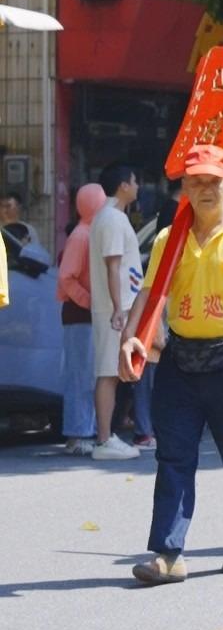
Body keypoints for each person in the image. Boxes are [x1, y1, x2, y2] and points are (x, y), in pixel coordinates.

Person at [120, 144, 223, 583]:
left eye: (213, 180)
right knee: (173, 457)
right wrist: (131, 338)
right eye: (196, 182)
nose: (205, 189)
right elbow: (152, 295)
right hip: (180, 360)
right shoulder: (171, 238)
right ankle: (168, 553)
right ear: (184, 188)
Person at [88, 162, 144, 461]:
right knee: (108, 373)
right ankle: (104, 438)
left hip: (119, 307)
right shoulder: (111, 218)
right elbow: (113, 265)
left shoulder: (112, 217)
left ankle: (109, 435)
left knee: (114, 372)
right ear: (123, 184)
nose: (137, 186)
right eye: (135, 181)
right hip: (115, 309)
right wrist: (119, 308)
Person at [55, 183, 107, 455]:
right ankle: (77, 434)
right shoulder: (82, 235)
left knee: (87, 374)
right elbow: (66, 277)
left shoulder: (89, 233)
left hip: (85, 315)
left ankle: (84, 431)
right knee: (81, 376)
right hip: (80, 315)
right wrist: (91, 302)